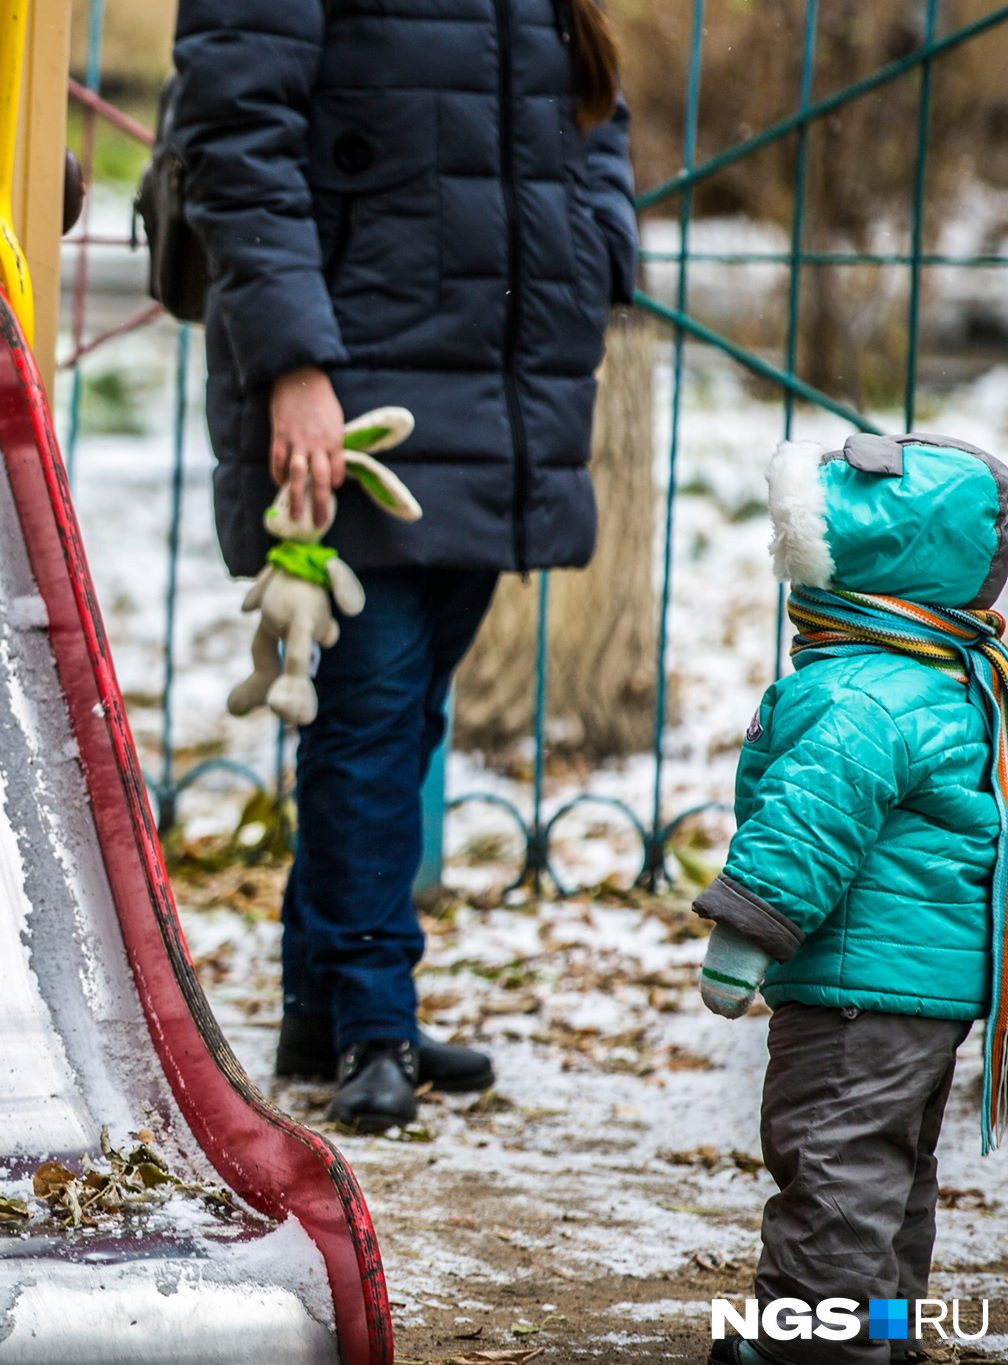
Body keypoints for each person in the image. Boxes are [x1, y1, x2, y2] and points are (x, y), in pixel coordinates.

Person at [168, 0, 637, 1129]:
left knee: (407, 702)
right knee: (371, 711)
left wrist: (598, 243)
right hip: (350, 370)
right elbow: (233, 142)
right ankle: (373, 1018)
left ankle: (320, 1008)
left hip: (500, 370)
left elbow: (589, 105)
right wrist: (292, 364)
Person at [699, 435, 1008, 1365]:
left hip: (853, 987)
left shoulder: (859, 694)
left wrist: (743, 933)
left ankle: (808, 1343)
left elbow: (809, 818)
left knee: (833, 1161)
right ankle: (884, 1327)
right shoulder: (951, 680)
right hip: (926, 990)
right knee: (892, 1168)